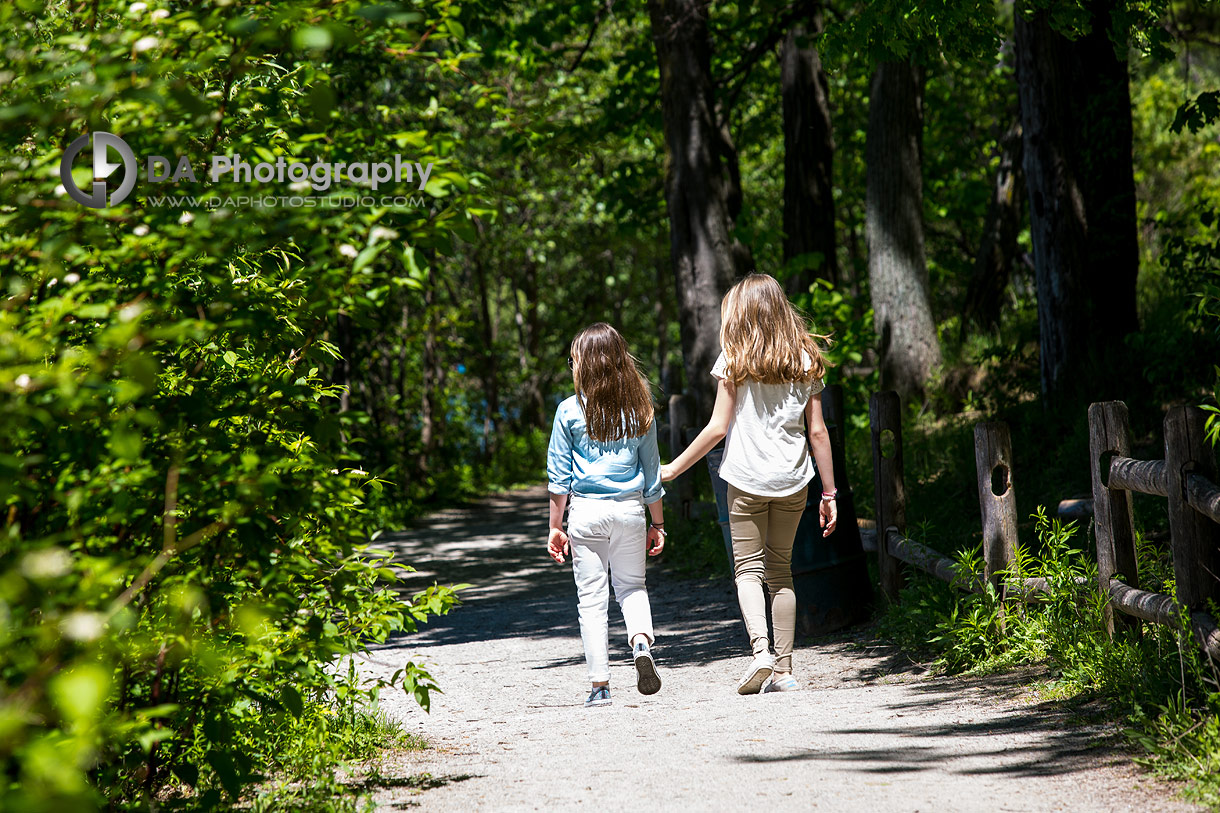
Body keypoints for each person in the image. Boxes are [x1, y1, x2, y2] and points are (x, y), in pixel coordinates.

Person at [661, 274, 837, 694]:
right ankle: (785, 671)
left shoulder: (735, 358)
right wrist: (829, 493)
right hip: (793, 481)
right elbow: (818, 433)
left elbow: (717, 428)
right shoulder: (805, 358)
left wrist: (672, 469)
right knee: (782, 572)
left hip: (745, 480)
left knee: (748, 569)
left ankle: (760, 652)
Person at [546, 322, 667, 708]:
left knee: (591, 600)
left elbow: (558, 478)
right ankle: (641, 645)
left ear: (583, 364)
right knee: (632, 588)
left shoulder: (569, 410)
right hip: (631, 511)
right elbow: (653, 474)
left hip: (586, 514)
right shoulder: (640, 407)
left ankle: (600, 686)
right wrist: (658, 523)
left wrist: (554, 526)